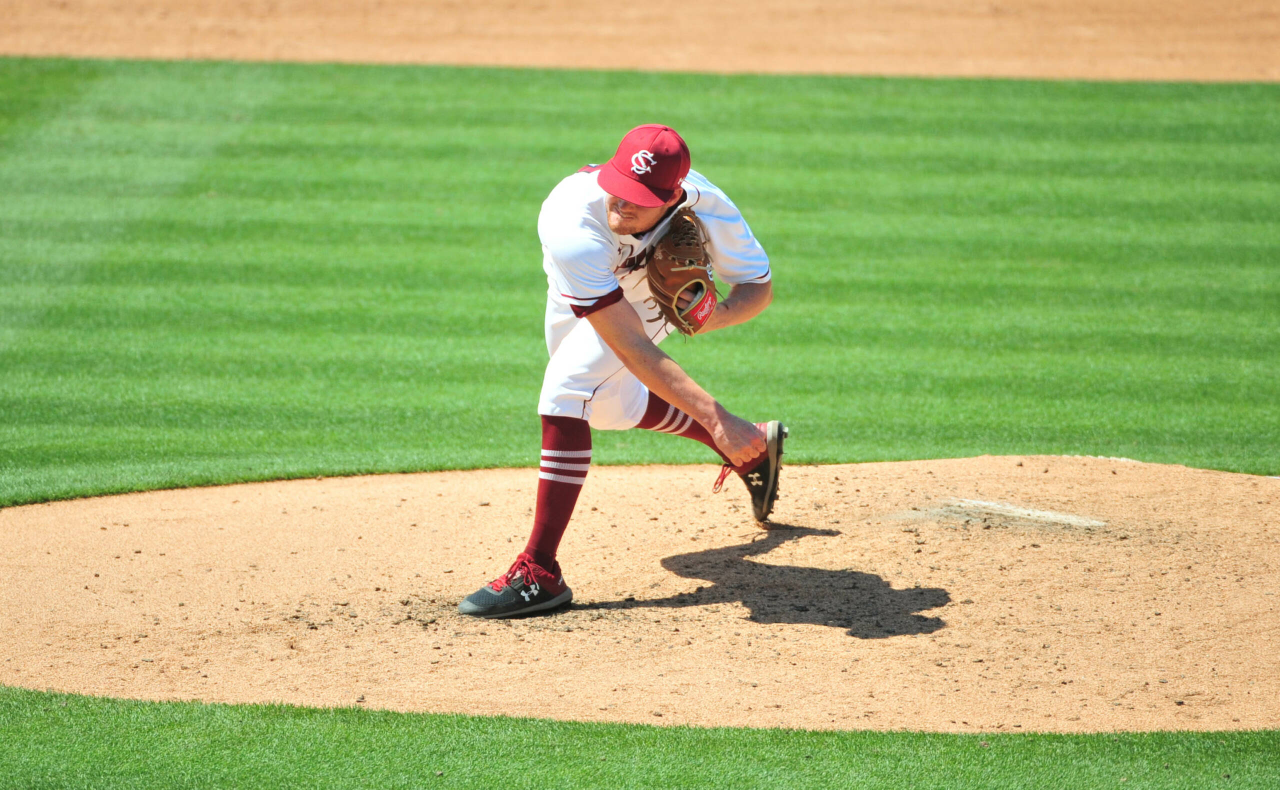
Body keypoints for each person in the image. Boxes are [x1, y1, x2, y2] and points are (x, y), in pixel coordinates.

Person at [458, 124, 785, 618]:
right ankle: (748, 443)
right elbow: (627, 344)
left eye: (640, 198)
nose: (623, 204)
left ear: (674, 195)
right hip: (588, 284)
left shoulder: (709, 205)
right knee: (608, 407)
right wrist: (718, 418)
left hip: (648, 296)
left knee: (567, 393)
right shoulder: (573, 222)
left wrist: (705, 318)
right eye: (619, 187)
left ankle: (539, 571)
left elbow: (757, 290)